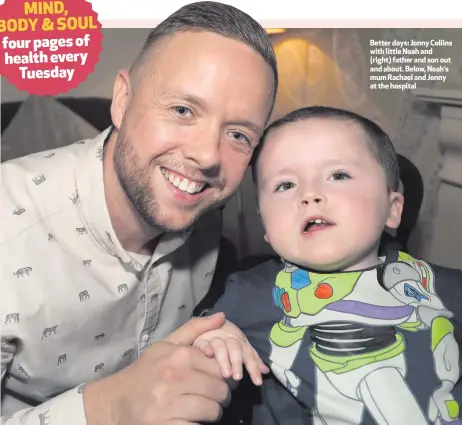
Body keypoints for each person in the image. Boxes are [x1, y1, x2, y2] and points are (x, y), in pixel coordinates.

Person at [0, 2, 278, 424]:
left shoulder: (205, 211)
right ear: (123, 100)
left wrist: (216, 337)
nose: (206, 156)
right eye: (183, 110)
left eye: (237, 134)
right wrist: (112, 406)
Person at [193, 106, 462, 425]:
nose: (310, 194)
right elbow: (199, 337)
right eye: (285, 185)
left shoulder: (446, 286)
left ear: (392, 209)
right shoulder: (251, 292)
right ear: (266, 225)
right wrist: (217, 339)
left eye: (338, 175)